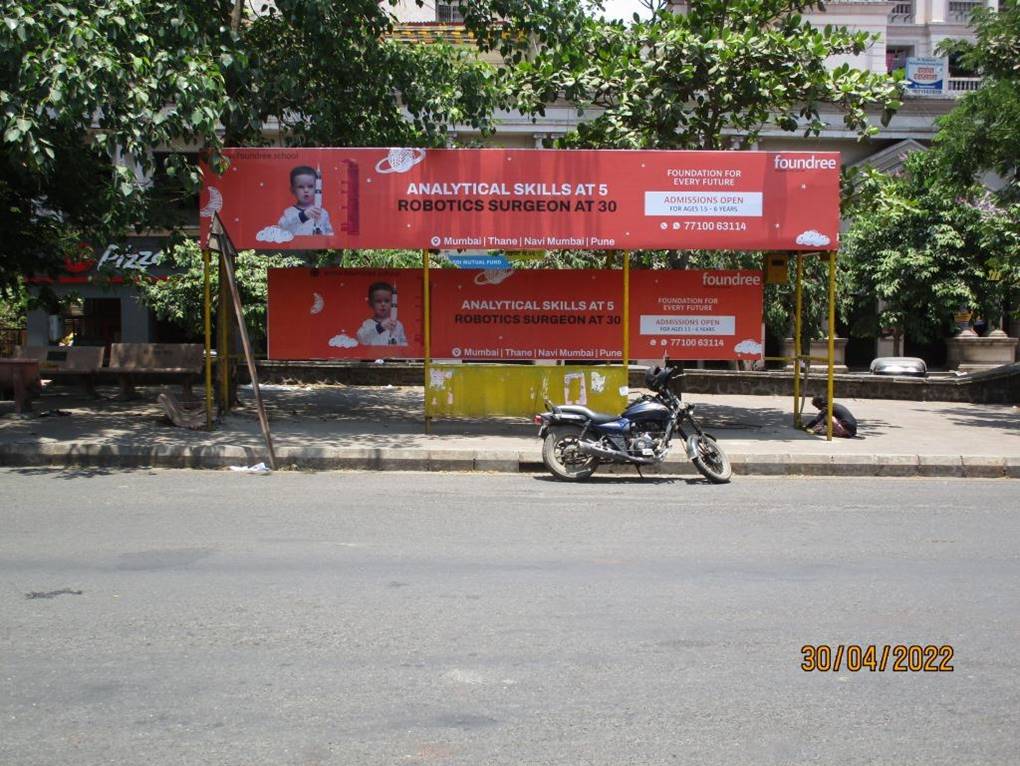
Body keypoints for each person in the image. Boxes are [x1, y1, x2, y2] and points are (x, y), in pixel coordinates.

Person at [277, 165, 333, 235]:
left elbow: (329, 234)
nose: (306, 190)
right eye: (301, 187)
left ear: (316, 188)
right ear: (292, 190)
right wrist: (302, 216)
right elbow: (281, 229)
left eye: (310, 186)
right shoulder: (289, 212)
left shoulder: (323, 213)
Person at [356, 282, 407, 346]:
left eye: (387, 301)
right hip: (374, 355)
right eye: (378, 301)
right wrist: (379, 328)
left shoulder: (398, 324)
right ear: (370, 303)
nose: (383, 304)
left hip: (392, 355)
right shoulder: (368, 324)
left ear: (392, 302)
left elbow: (403, 342)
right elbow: (361, 339)